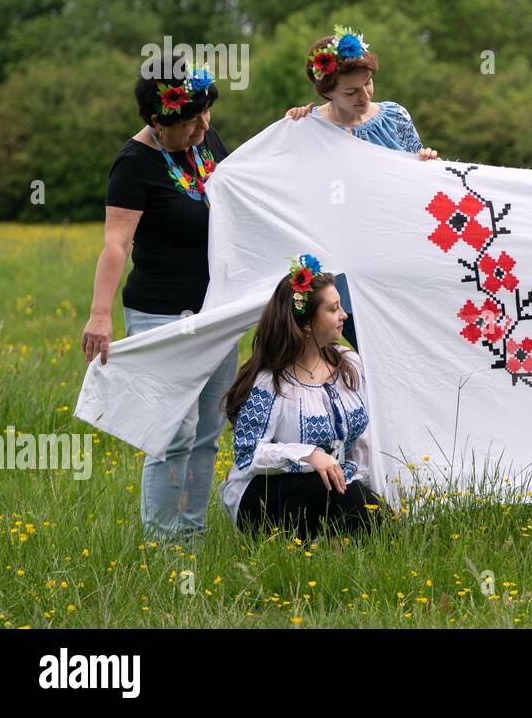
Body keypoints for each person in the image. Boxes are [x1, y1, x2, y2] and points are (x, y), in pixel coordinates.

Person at [80, 55, 238, 540]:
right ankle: (160, 544)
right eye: (190, 119)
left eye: (205, 113)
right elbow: (116, 243)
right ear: (157, 120)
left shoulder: (205, 141)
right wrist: (100, 315)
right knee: (174, 432)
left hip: (216, 311)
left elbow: (246, 191)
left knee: (208, 433)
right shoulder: (134, 164)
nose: (202, 126)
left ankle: (190, 537)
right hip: (161, 312)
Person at [284, 26, 439, 350]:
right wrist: (294, 129)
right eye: (351, 91)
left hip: (397, 256)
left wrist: (425, 162)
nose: (364, 96)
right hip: (344, 264)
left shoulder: (395, 117)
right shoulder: (308, 129)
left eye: (367, 83)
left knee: (411, 350)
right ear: (326, 91)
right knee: (368, 353)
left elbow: (420, 184)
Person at [218, 256, 387, 540]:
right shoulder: (270, 381)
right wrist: (308, 455)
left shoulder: (349, 364)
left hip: (335, 484)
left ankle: (345, 542)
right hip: (265, 496)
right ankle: (305, 548)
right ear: (307, 323)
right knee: (323, 484)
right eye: (333, 309)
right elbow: (248, 455)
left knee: (362, 505)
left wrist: (374, 491)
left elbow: (363, 443)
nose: (343, 315)